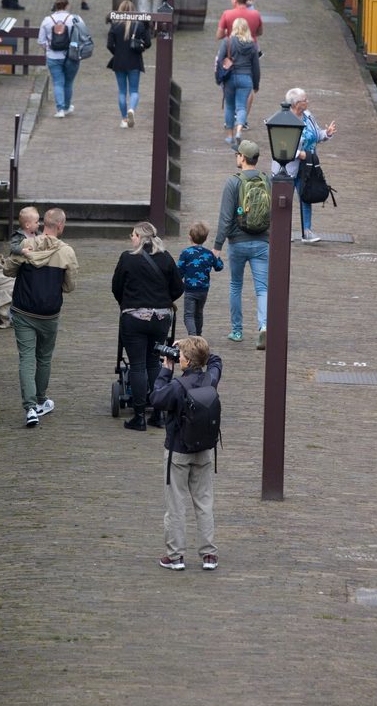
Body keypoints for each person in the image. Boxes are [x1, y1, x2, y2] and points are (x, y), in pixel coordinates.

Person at [150, 336, 222, 571]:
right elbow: (217, 361)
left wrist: (165, 370)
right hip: (204, 451)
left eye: (180, 355)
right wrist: (198, 346)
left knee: (176, 504)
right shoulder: (210, 380)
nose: (176, 357)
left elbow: (156, 398)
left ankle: (175, 556)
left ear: (188, 361)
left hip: (178, 452)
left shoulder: (177, 387)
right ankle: (209, 555)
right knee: (204, 502)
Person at [3, 208, 78, 427]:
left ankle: (30, 408)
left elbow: (8, 270)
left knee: (26, 358)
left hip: (24, 311)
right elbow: (70, 286)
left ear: (43, 224)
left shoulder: (26, 246)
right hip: (49, 314)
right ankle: (41, 399)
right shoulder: (67, 252)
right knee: (43, 358)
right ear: (61, 226)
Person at [111, 221, 184, 432]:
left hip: (134, 317)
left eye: (132, 234)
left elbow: (116, 287)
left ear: (140, 237)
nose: (130, 238)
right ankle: (159, 413)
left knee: (137, 365)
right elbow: (178, 288)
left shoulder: (127, 258)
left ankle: (139, 415)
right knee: (154, 362)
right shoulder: (166, 258)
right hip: (161, 319)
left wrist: (127, 302)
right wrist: (162, 300)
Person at [213, 140, 270, 349]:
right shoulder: (268, 179)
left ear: (243, 158)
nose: (236, 157)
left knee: (236, 285)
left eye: (237, 154)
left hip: (237, 243)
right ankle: (264, 326)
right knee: (262, 288)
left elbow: (226, 218)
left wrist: (217, 246)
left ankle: (237, 330)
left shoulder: (233, 182)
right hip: (263, 241)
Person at [278, 88, 336, 244]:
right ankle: (283, 231)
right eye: (305, 100)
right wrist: (299, 154)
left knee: (306, 196)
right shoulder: (284, 119)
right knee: (284, 200)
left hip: (307, 167)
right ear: (296, 103)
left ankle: (307, 231)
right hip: (288, 167)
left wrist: (327, 133)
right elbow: (281, 145)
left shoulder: (308, 116)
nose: (307, 102)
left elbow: (317, 135)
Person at [38, 0, 87, 118]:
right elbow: (84, 36)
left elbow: (41, 41)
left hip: (53, 56)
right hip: (72, 55)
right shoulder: (76, 19)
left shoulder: (47, 20)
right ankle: (67, 107)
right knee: (68, 82)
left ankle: (59, 109)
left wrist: (48, 50)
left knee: (58, 83)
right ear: (67, 6)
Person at [216, 17, 260, 147]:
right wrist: (256, 84)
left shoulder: (227, 41)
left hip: (230, 78)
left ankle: (230, 136)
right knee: (241, 106)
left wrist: (219, 78)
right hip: (246, 78)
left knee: (229, 106)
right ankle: (239, 130)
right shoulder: (252, 45)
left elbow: (220, 60)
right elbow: (256, 67)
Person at [107, 0, 151, 129]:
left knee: (121, 92)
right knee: (134, 91)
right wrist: (147, 28)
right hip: (134, 61)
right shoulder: (139, 25)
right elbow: (148, 43)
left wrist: (117, 52)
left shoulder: (115, 25)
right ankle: (131, 109)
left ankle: (124, 119)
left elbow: (109, 45)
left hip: (119, 61)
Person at [177, 221, 224, 335]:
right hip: (203, 290)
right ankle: (199, 335)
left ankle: (193, 336)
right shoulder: (208, 254)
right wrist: (217, 257)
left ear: (190, 237)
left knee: (188, 315)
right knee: (198, 313)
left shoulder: (186, 253)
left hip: (189, 289)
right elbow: (219, 267)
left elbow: (179, 271)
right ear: (206, 238)